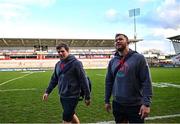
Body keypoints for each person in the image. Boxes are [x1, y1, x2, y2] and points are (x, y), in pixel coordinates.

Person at [105, 33, 153, 123]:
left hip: (135, 105)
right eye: (116, 40)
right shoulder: (112, 61)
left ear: (128, 42)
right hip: (118, 103)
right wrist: (107, 100)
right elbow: (109, 81)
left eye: (120, 39)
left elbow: (146, 81)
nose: (117, 41)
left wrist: (146, 104)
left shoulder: (139, 58)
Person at [42, 43, 91, 123]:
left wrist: (87, 96)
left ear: (68, 51)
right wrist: (47, 92)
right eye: (58, 52)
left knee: (66, 119)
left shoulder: (76, 63)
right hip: (62, 95)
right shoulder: (58, 64)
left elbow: (83, 80)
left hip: (73, 96)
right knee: (71, 114)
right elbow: (54, 79)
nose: (60, 53)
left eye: (62, 51)